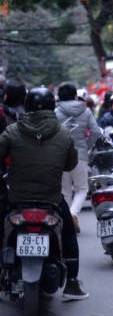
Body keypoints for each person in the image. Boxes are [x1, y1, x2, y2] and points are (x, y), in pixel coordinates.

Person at [0, 87, 89, 300]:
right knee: (68, 231)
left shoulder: (11, 131)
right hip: (51, 199)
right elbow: (70, 165)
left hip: (17, 198)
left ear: (27, 106)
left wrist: (3, 191)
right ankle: (72, 284)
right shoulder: (64, 133)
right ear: (52, 106)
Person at [55, 82, 100, 234]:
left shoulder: (56, 112)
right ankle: (73, 214)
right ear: (75, 95)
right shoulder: (86, 111)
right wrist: (86, 146)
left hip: (61, 155)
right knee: (82, 189)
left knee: (65, 191)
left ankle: (67, 220)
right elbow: (95, 131)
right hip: (80, 154)